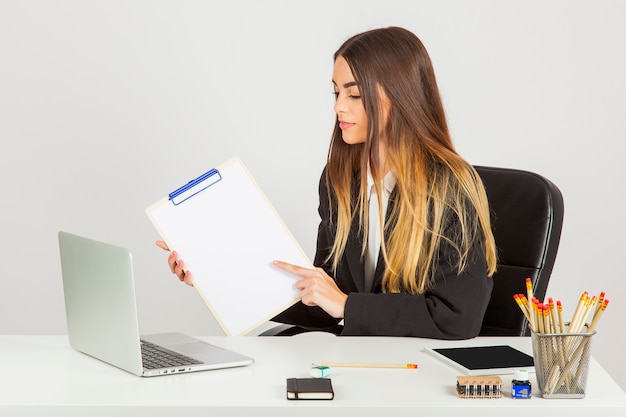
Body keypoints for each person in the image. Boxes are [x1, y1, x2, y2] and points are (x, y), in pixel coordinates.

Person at [157, 26, 497, 340]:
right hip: (359, 361)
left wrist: (347, 305)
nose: (338, 107)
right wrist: (216, 274)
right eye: (336, 92)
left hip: (418, 373)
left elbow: (458, 317)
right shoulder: (341, 179)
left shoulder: (449, 186)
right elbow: (326, 304)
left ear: (399, 96)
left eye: (354, 95)